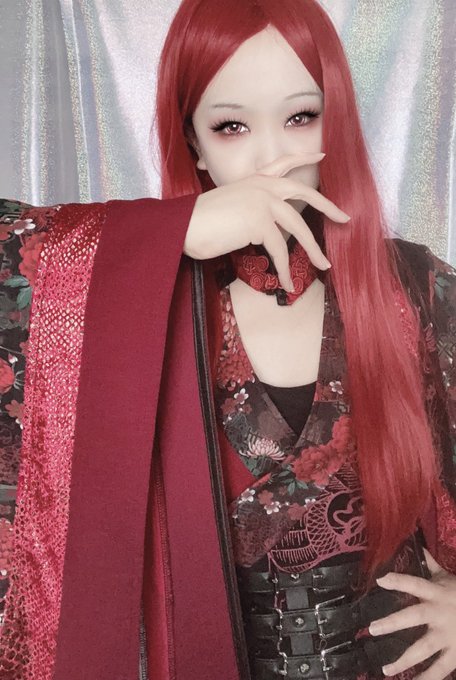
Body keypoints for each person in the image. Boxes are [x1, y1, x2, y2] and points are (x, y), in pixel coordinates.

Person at [0, 1, 456, 679]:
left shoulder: (417, 288)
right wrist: (163, 234)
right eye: (232, 125)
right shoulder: (138, 302)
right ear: (194, 142)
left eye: (300, 117)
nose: (272, 156)